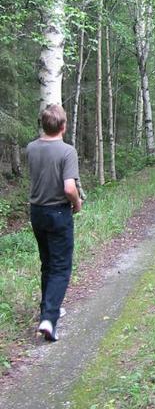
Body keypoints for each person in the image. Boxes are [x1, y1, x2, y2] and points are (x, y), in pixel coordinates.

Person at [26, 104, 82, 341]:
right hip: (58, 213)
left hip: (36, 212)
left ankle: (50, 306)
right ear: (63, 126)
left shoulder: (31, 148)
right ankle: (49, 318)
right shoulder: (67, 151)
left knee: (47, 263)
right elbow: (69, 187)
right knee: (60, 267)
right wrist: (77, 203)